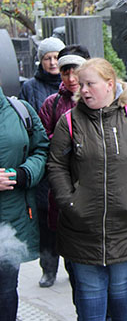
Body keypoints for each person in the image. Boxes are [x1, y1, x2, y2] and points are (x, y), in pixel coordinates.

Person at [46, 58, 127, 321]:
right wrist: (69, 201)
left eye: (90, 84)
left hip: (125, 220)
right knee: (90, 292)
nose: (83, 90)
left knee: (121, 288)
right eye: (81, 85)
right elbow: (56, 165)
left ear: (110, 84)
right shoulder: (70, 121)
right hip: (82, 224)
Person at [35, 45, 90, 289]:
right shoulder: (52, 103)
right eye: (64, 73)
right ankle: (54, 269)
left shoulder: (96, 99)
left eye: (74, 72)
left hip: (92, 185)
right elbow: (42, 139)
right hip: (62, 185)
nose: (70, 79)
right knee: (61, 234)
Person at [0, 83, 49, 321]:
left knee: (6, 292)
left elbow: (41, 150)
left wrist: (23, 174)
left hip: (12, 220)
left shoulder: (20, 110)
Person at [20, 36, 65, 112]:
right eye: (47, 58)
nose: (52, 63)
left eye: (56, 58)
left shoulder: (72, 83)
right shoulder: (29, 87)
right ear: (41, 61)